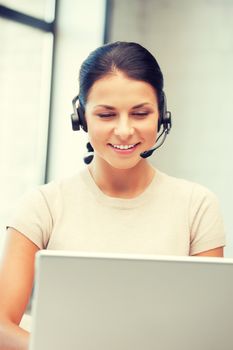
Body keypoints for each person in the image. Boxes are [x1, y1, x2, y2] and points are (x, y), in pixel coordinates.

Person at [0, 41, 225, 350]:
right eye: (106, 115)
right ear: (81, 117)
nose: (124, 130)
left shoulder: (197, 206)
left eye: (140, 113)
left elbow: (207, 331)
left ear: (161, 114)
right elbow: (2, 326)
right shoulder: (42, 205)